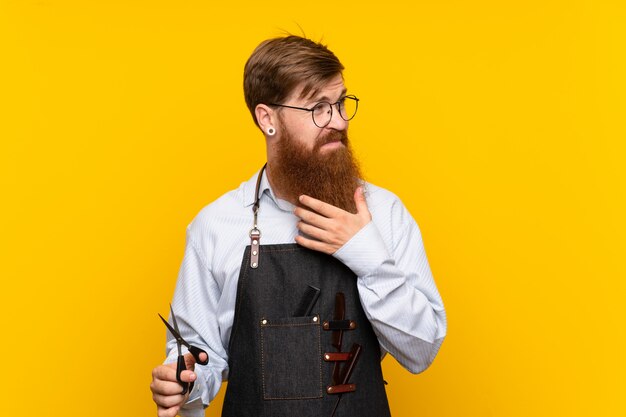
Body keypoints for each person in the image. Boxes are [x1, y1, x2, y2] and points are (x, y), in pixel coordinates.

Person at [150, 35, 447, 417]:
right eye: (318, 108)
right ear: (267, 118)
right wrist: (183, 382)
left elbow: (422, 350)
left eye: (340, 103)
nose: (338, 121)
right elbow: (196, 358)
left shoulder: (383, 213)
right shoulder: (217, 226)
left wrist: (368, 255)